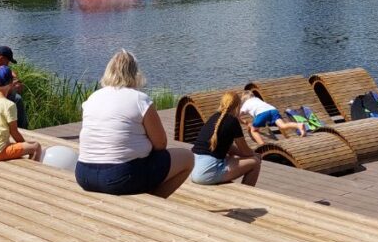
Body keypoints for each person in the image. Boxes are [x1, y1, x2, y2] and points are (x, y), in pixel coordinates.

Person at [75, 49, 192, 197]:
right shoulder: (139, 99)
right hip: (118, 177)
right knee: (188, 158)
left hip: (84, 175)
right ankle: (154, 200)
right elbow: (161, 143)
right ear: (135, 74)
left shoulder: (93, 97)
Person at [190, 91, 261, 187]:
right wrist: (255, 155)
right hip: (205, 174)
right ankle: (246, 193)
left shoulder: (213, 118)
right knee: (255, 162)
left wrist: (241, 155)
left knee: (233, 157)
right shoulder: (233, 121)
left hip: (192, 169)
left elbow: (229, 148)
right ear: (238, 106)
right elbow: (245, 151)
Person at [239, 90, 307, 146]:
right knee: (282, 125)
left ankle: (262, 145)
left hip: (262, 114)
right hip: (273, 110)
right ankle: (298, 125)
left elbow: (238, 115)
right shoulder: (257, 99)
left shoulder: (245, 104)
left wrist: (244, 122)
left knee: (254, 130)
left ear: (243, 99)